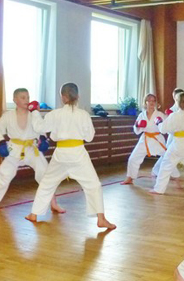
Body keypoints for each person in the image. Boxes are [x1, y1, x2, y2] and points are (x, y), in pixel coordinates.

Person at [26, 83, 116, 230]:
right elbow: (90, 137)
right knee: (93, 185)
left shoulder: (55, 114)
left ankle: (34, 214)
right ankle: (101, 219)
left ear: (63, 98)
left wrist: (35, 112)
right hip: (78, 153)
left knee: (47, 183)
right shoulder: (83, 115)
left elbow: (39, 127)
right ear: (78, 96)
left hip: (60, 154)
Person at [0, 88, 52, 211]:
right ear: (15, 100)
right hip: (14, 149)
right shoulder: (8, 116)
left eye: (28, 97)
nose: (26, 100)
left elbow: (41, 129)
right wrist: (1, 143)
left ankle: (51, 200)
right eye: (23, 98)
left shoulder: (34, 115)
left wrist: (43, 139)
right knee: (4, 174)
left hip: (31, 148)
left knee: (44, 171)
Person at [122, 94, 167, 185]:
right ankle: (130, 177)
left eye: (153, 101)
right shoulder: (142, 115)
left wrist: (161, 123)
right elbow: (136, 130)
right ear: (145, 102)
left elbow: (165, 128)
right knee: (133, 158)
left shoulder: (160, 115)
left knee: (168, 157)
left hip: (157, 139)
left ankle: (173, 176)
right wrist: (138, 125)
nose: (151, 102)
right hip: (145, 139)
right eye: (149, 100)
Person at [151, 88, 184, 180]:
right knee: (167, 155)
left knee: (170, 156)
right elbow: (167, 127)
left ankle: (159, 171)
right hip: (173, 137)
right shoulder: (172, 110)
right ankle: (157, 170)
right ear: (175, 97)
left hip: (183, 137)